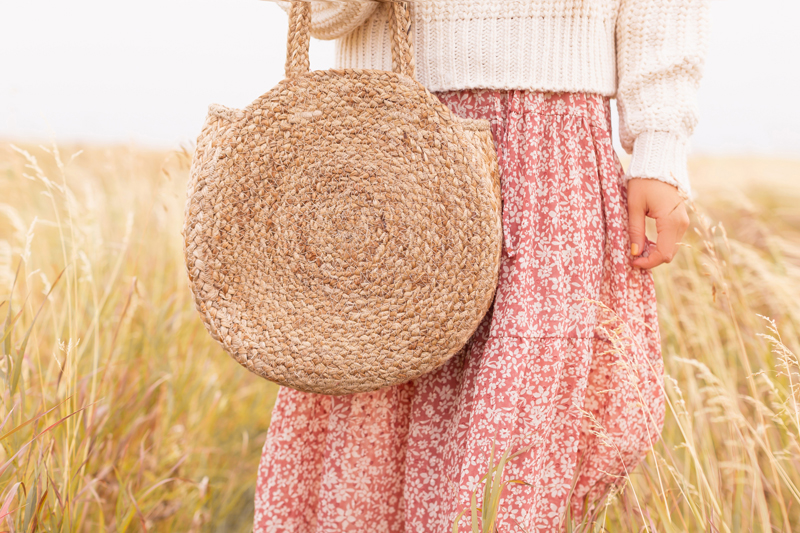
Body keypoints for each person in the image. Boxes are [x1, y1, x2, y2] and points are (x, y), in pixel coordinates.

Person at [254, 0, 709, 531]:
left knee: (524, 451)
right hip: (389, 157)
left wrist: (660, 142)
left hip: (552, 151)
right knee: (367, 453)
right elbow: (325, 13)